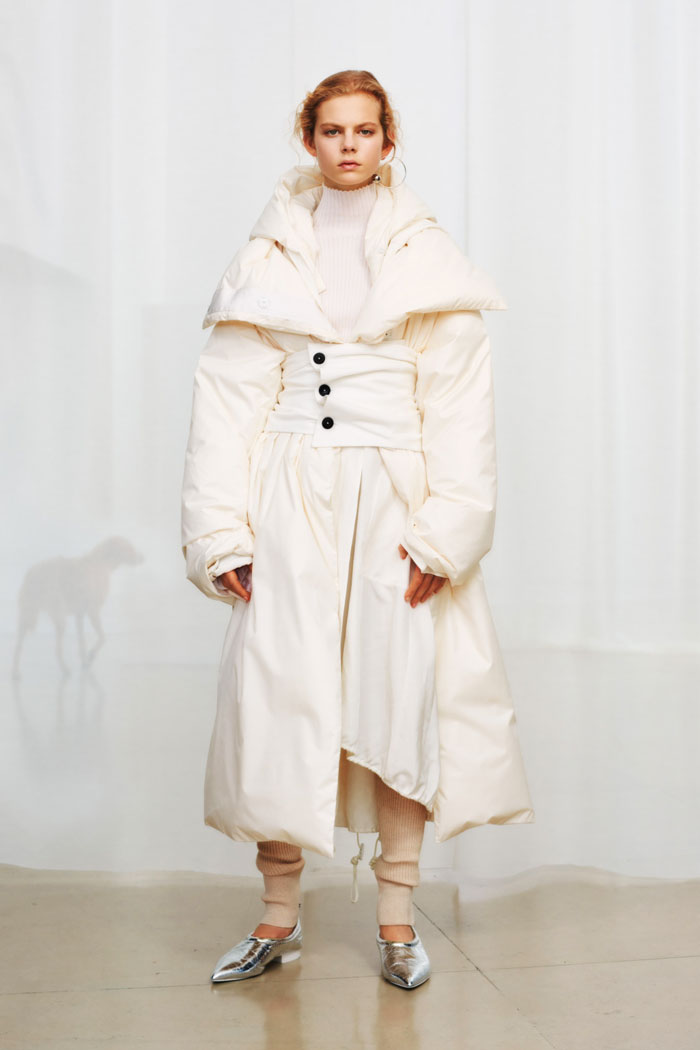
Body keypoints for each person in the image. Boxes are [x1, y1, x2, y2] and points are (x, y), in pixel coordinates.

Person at [180, 69, 535, 990]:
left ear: (387, 138)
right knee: (278, 698)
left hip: (393, 501)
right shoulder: (267, 256)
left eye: (365, 130)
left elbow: (460, 405)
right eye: (332, 130)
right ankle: (276, 917)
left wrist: (445, 534)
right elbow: (226, 402)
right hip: (289, 497)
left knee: (396, 692)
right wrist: (222, 533)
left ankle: (397, 921)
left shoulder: (427, 256)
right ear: (309, 138)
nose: (348, 145)